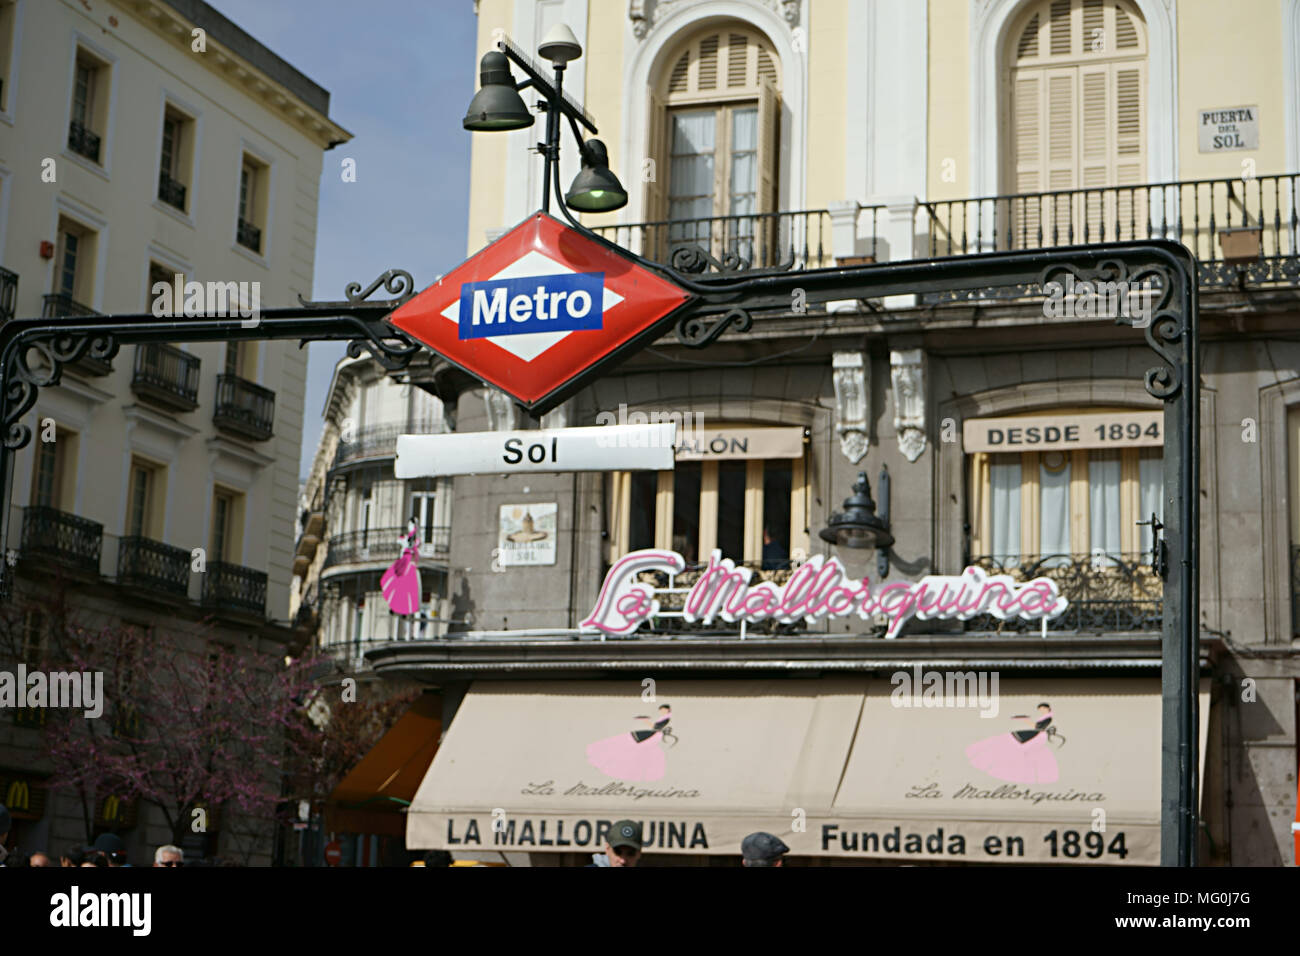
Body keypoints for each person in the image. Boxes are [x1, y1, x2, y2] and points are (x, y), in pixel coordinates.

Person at [586, 705, 675, 782]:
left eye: (662, 710)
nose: (661, 711)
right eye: (661, 710)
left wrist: (645, 720)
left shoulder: (666, 718)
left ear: (667, 710)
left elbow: (655, 727)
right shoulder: (664, 718)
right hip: (652, 735)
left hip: (652, 736)